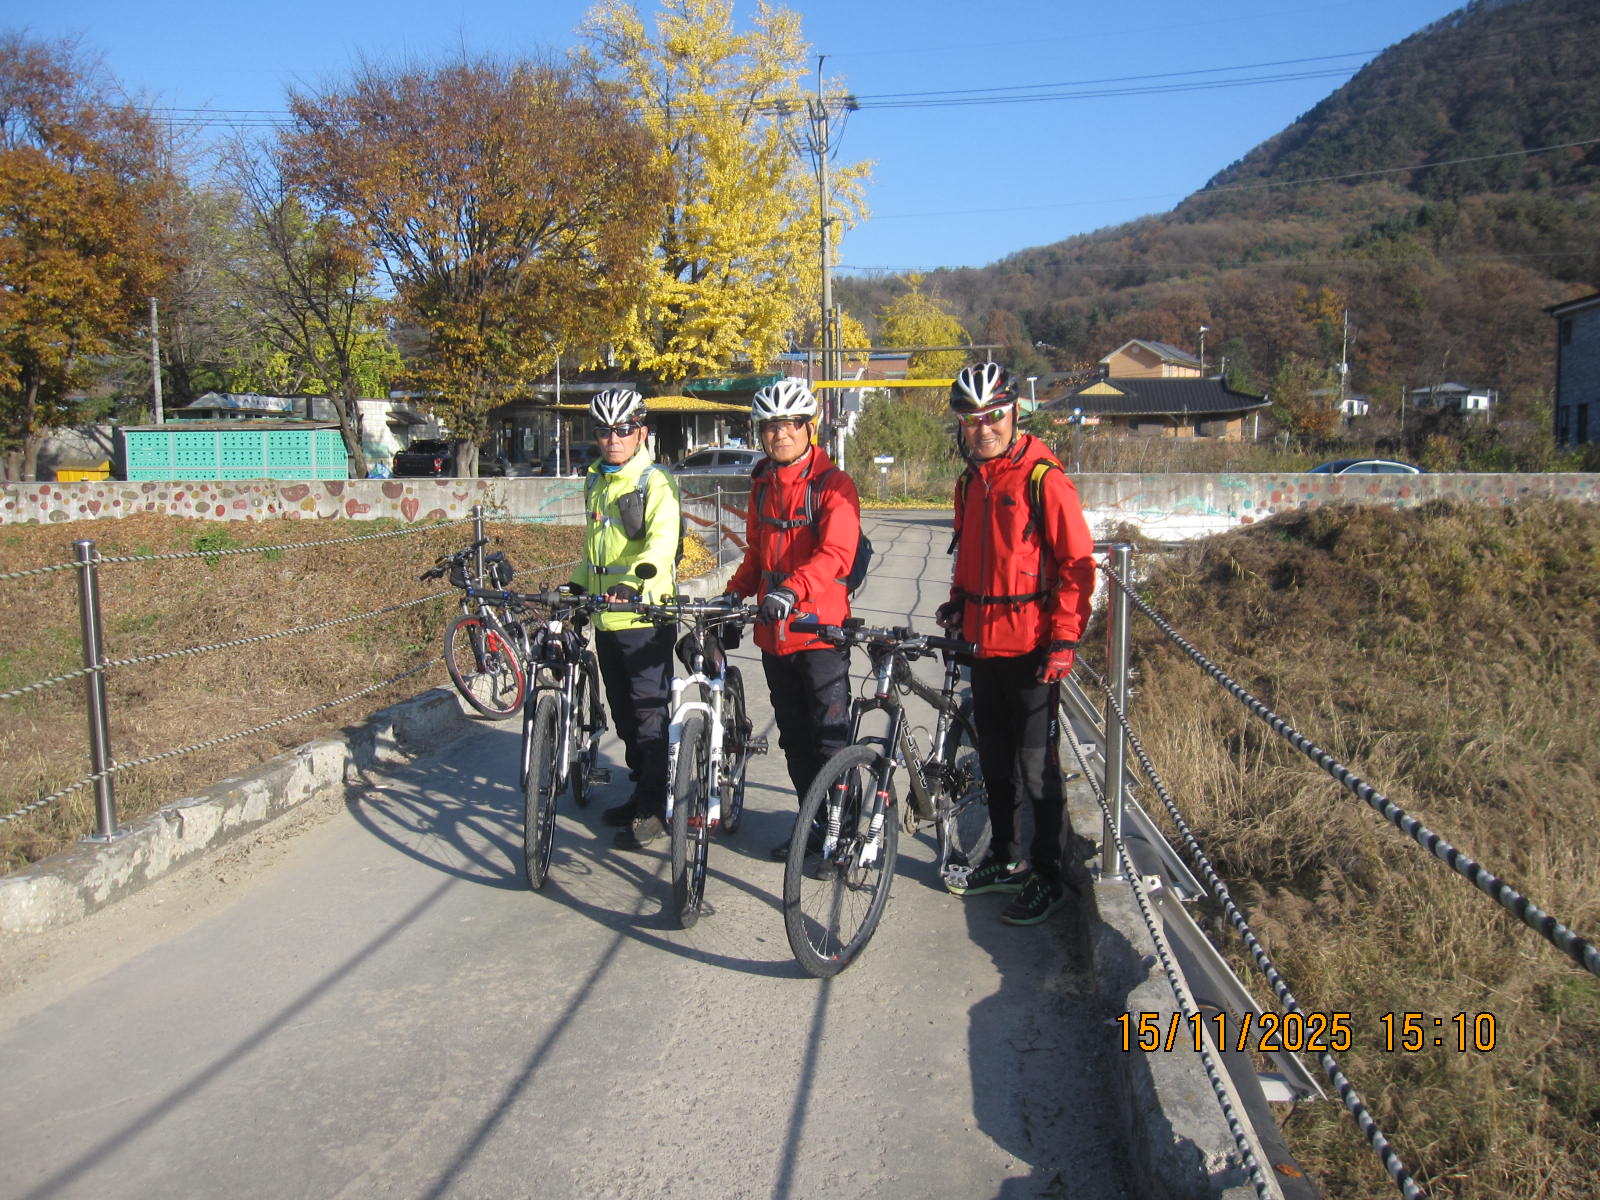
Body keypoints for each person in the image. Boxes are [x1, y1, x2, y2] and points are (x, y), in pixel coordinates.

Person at [937, 362, 1097, 926]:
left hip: (1032, 649)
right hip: (982, 647)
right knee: (994, 762)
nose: (983, 428)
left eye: (993, 416)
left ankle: (1047, 877)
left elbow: (1077, 565)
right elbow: (967, 554)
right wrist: (958, 603)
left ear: (1014, 413)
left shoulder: (1043, 479)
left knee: (1036, 770)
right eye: (971, 419)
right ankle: (1005, 860)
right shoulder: (969, 483)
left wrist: (1064, 639)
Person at [721, 379, 863, 860]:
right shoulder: (762, 485)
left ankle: (844, 837)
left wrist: (791, 590)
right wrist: (733, 593)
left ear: (809, 428)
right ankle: (814, 829)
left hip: (819, 633)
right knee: (796, 742)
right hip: (774, 635)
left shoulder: (833, 485)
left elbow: (836, 553)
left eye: (791, 424)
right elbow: (757, 555)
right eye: (770, 426)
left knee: (830, 741)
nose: (780, 434)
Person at [569, 388, 682, 851]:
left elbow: (662, 541)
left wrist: (636, 583)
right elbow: (594, 551)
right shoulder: (596, 480)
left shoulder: (655, 481)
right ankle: (641, 791)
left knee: (649, 715)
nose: (612, 439)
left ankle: (656, 808)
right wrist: (576, 586)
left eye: (622, 429)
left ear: (641, 432)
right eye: (603, 430)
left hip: (645, 615)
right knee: (625, 717)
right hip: (607, 617)